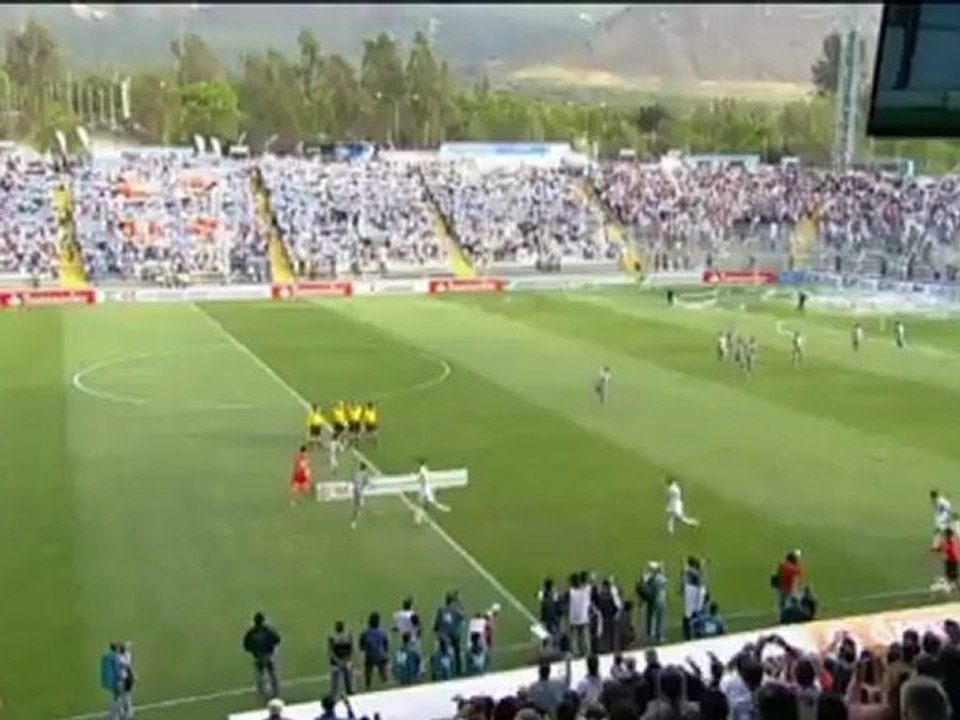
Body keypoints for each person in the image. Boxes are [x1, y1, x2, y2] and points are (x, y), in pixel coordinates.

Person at [243, 612, 281, 703]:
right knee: (272, 674)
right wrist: (271, 648)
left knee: (260, 676)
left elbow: (246, 645)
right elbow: (277, 639)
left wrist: (254, 652)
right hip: (268, 655)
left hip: (258, 657)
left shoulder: (251, 632)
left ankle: (262, 694)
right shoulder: (267, 630)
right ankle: (275, 692)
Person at [433, 591, 465, 676]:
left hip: (443, 635)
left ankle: (437, 670)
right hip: (453, 634)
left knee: (440, 651)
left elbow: (437, 623)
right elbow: (462, 617)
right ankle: (458, 669)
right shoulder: (456, 610)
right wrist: (459, 603)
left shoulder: (441, 609)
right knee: (457, 650)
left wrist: (436, 629)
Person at [358, 612, 389, 690]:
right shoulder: (382, 632)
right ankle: (384, 681)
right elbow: (386, 644)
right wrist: (385, 654)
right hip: (380, 655)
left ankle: (367, 684)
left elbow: (361, 645)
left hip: (370, 656)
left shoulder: (365, 632)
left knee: (368, 670)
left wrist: (365, 649)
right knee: (382, 668)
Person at [328, 620, 354, 698]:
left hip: (343, 661)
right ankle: (335, 694)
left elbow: (351, 648)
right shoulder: (333, 636)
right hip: (337, 662)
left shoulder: (347, 635)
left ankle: (349, 691)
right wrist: (340, 662)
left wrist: (346, 660)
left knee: (348, 676)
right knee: (336, 679)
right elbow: (331, 651)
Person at [933, 527, 960, 593]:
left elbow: (944, 548)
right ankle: (952, 586)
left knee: (951, 575)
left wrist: (938, 549)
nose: (945, 536)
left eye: (946, 534)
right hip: (952, 560)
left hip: (951, 560)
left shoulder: (949, 542)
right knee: (951, 575)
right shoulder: (953, 540)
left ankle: (952, 587)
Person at [350, 462, 370, 530]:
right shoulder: (365, 474)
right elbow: (367, 482)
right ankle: (354, 520)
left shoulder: (356, 473)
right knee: (360, 506)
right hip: (359, 491)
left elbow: (352, 479)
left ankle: (354, 518)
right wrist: (363, 484)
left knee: (357, 505)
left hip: (355, 491)